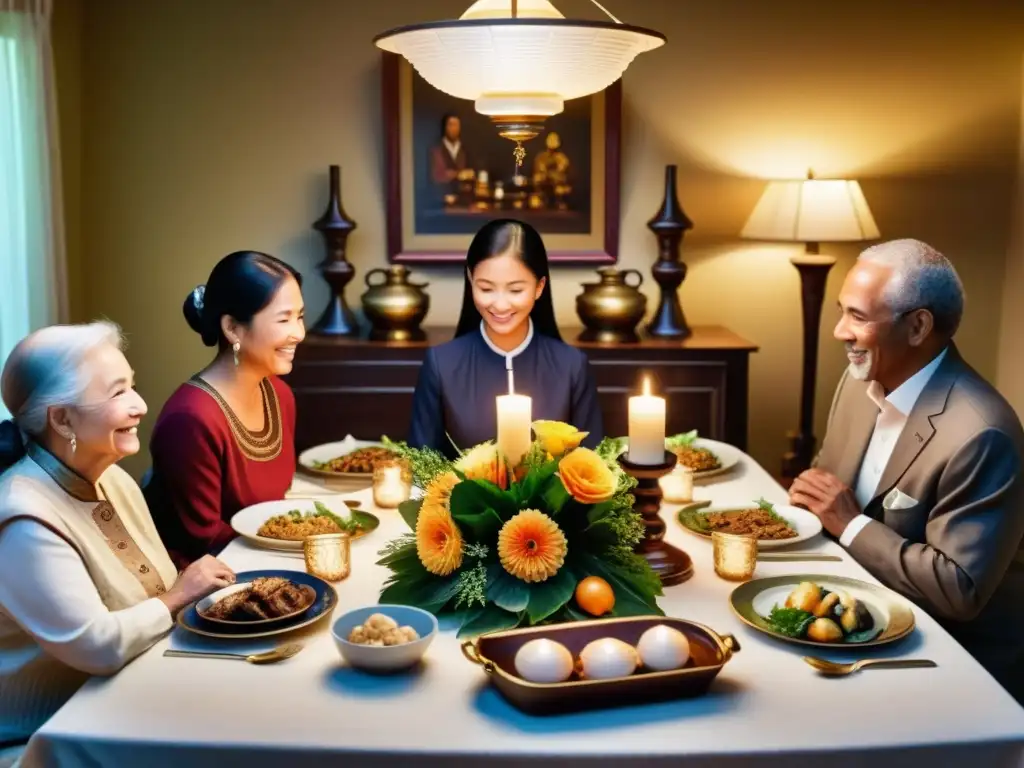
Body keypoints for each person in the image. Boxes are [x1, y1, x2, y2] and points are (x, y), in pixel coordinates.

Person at [789, 239, 1024, 701]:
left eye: (858, 316)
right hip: (852, 628)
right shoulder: (860, 383)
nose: (840, 331)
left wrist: (851, 523)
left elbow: (959, 591)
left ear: (918, 326)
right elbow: (825, 487)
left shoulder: (982, 434)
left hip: (952, 666)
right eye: (842, 311)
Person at [0, 322, 234, 746]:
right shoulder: (22, 518)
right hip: (51, 739)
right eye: (117, 392)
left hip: (128, 700)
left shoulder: (113, 480)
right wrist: (182, 594)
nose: (141, 405)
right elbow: (98, 646)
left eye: (133, 386)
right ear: (62, 419)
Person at [146, 251, 304, 568]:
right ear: (232, 328)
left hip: (268, 561)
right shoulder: (190, 419)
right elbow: (202, 539)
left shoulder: (280, 395)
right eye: (284, 319)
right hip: (203, 582)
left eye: (300, 317)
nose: (298, 333)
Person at [408, 219, 603, 458]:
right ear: (470, 281)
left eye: (516, 290)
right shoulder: (441, 364)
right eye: (486, 289)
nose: (500, 305)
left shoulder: (572, 365)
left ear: (539, 286)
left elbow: (593, 464)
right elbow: (421, 465)